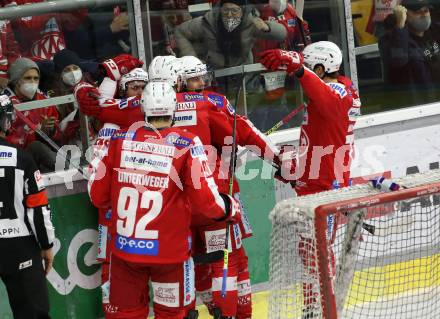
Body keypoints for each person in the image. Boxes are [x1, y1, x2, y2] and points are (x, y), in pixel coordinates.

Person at [88, 81, 241, 319]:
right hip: (169, 255)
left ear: (143, 108)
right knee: (171, 314)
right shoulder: (187, 143)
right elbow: (207, 202)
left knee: (126, 314)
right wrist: (229, 207)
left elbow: (98, 196)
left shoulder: (117, 140)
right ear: (174, 109)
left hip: (126, 252)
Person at [260, 41, 360, 318]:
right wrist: (295, 165)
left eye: (309, 67)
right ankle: (312, 305)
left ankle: (321, 307)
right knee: (309, 250)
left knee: (317, 250)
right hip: (313, 180)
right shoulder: (325, 91)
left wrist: (299, 69)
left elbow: (328, 102)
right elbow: (318, 135)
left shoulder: (338, 91)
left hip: (326, 186)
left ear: (320, 67)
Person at [0, 94, 55, 319]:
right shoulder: (22, 159)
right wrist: (46, 244)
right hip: (19, 245)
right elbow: (38, 207)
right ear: (6, 120)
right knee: (32, 313)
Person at [175, 0, 287, 69]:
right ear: (219, 11)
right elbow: (180, 31)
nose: (229, 15)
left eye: (234, 11)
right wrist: (192, 61)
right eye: (225, 10)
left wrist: (267, 28)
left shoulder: (250, 23)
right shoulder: (208, 22)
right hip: (214, 74)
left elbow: (282, 34)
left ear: (242, 12)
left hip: (244, 75)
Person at [2, 57, 61, 172]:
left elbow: (59, 135)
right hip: (13, 162)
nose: (33, 82)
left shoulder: (44, 101)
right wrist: (38, 132)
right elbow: (7, 142)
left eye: (36, 78)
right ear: (16, 80)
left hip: (41, 162)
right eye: (28, 78)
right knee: (36, 146)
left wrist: (51, 130)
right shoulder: (4, 104)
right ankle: (69, 173)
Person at [379, 0, 440, 104]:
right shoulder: (391, 39)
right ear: (405, 15)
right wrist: (400, 25)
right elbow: (398, 60)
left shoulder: (434, 31)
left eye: (426, 10)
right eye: (418, 12)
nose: (424, 15)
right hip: (414, 107)